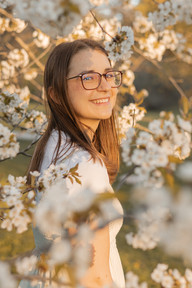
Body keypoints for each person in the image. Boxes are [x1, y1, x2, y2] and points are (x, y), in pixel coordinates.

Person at [19, 39, 125, 288]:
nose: (105, 86)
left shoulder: (53, 147)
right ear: (56, 93)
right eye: (88, 77)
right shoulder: (86, 164)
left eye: (108, 75)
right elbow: (94, 277)